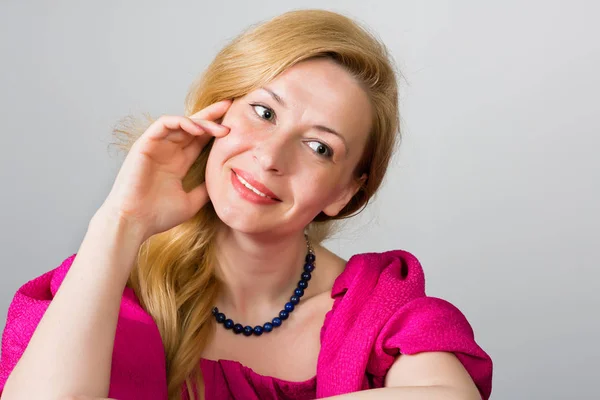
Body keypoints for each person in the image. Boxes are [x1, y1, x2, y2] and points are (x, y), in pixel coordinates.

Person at [0, 9, 492, 400]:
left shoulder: (380, 309)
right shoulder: (109, 283)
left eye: (319, 147)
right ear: (218, 108)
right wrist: (120, 221)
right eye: (263, 112)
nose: (270, 157)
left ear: (346, 191)